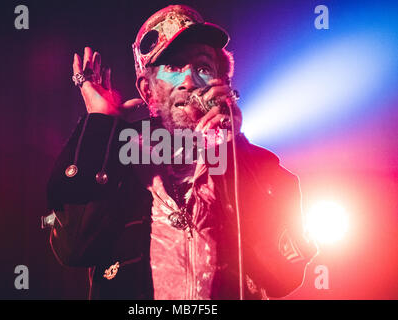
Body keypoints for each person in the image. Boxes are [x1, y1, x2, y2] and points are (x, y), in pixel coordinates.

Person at [45, 5, 318, 300]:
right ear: (148, 91)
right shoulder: (118, 161)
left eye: (202, 68)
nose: (189, 81)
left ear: (222, 84)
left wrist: (230, 149)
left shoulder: (257, 167)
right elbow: (73, 249)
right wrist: (100, 123)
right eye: (174, 67)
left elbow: (282, 276)